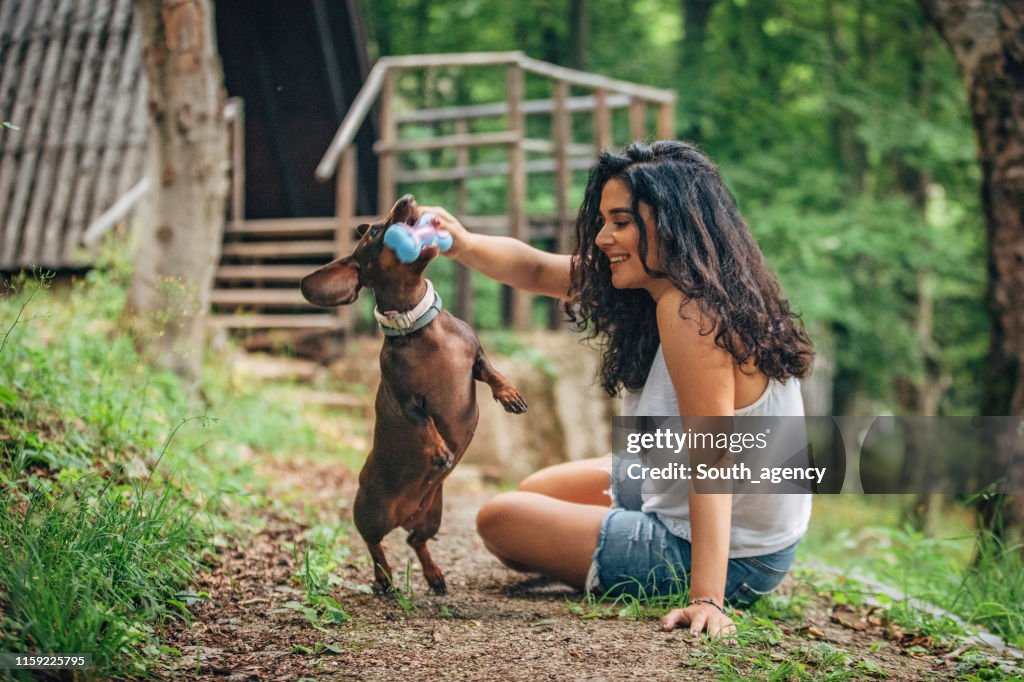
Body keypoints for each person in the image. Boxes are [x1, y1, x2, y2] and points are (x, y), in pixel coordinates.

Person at [418, 140, 814, 638]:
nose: (604, 237)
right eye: (604, 221)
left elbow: (713, 454)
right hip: (702, 499)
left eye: (621, 222)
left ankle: (675, 568)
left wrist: (707, 598)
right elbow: (538, 269)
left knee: (501, 519)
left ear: (674, 224)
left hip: (741, 556)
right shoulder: (681, 285)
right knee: (537, 491)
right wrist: (461, 241)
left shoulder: (694, 312)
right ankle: (610, 543)